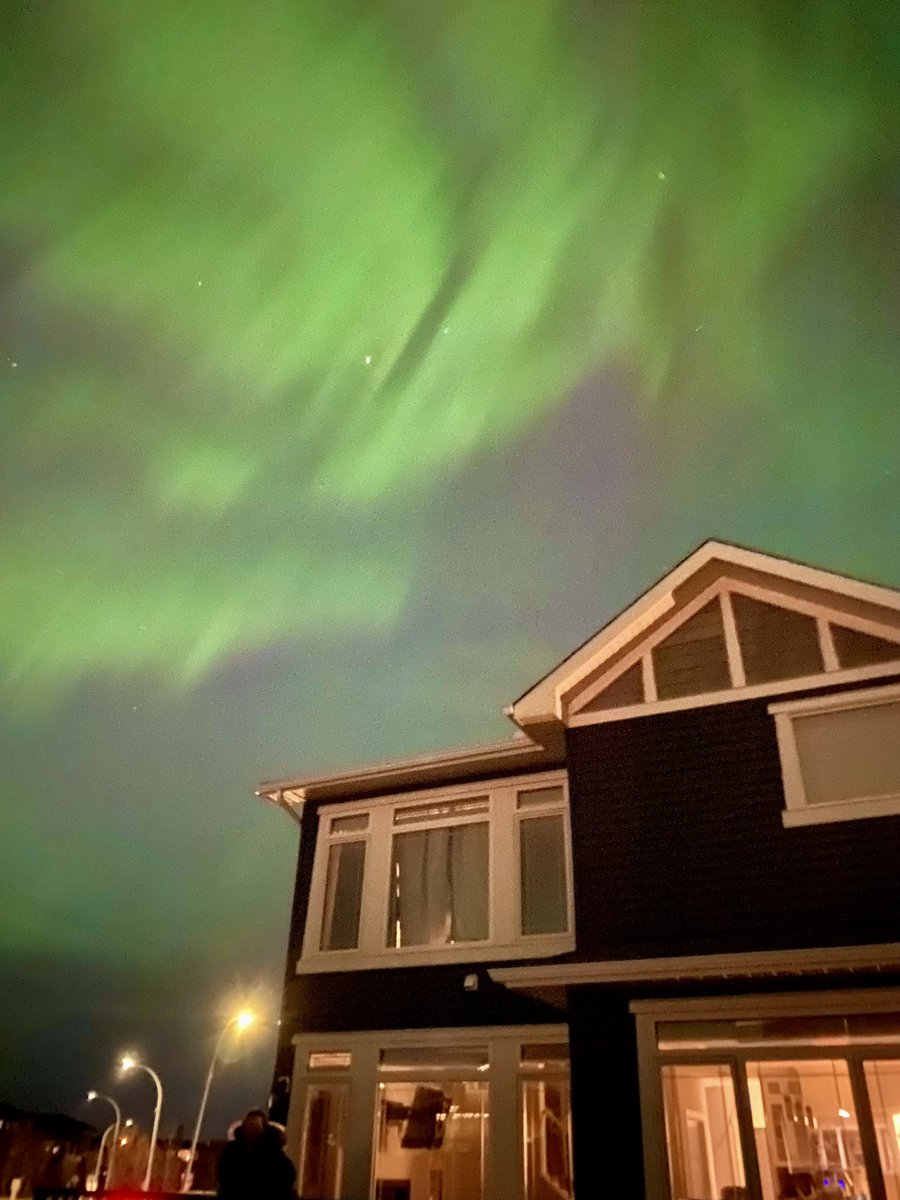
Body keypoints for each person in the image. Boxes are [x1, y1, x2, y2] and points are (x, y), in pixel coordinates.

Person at [217, 1109, 296, 1200]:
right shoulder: (232, 1150)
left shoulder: (273, 1150)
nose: (252, 1129)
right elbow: (224, 1175)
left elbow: (287, 1175)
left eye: (256, 1126)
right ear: (244, 1127)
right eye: (249, 1125)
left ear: (263, 1129)